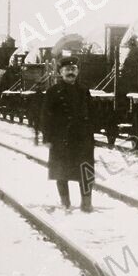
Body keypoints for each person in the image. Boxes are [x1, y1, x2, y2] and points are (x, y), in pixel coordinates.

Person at [41, 51, 95, 212]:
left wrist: (91, 134)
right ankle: (65, 203)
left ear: (77, 72)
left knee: (85, 171)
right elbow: (45, 116)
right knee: (61, 172)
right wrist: (47, 138)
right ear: (60, 73)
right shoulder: (53, 92)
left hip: (82, 139)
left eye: (74, 69)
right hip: (60, 138)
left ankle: (86, 204)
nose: (71, 72)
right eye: (67, 69)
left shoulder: (84, 91)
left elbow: (92, 113)